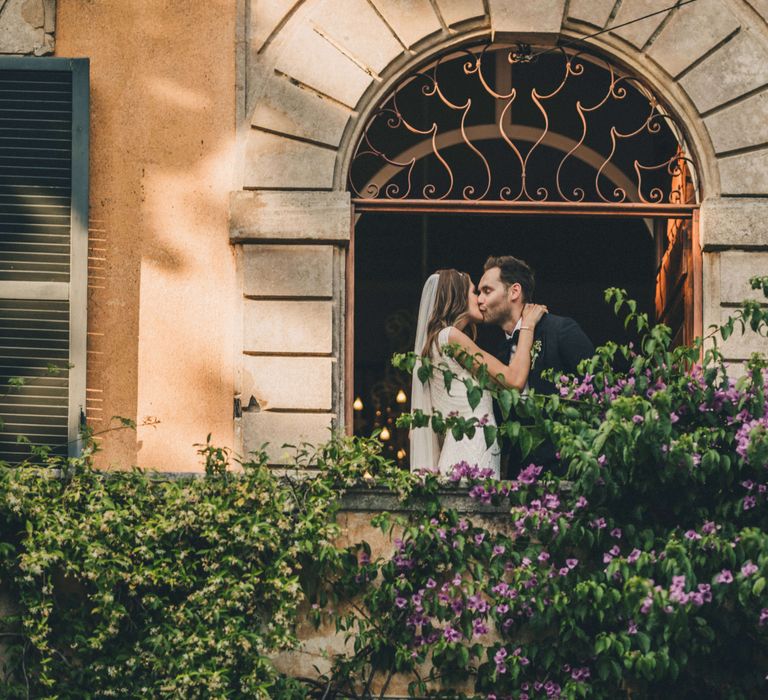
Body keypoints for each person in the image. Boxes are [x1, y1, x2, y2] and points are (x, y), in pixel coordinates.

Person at [409, 269, 548, 477]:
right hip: (470, 452)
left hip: (461, 451)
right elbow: (513, 380)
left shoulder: (438, 342)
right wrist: (527, 325)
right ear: (458, 297)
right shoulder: (450, 337)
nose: (480, 299)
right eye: (474, 292)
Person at [477, 255, 594, 474]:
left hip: (566, 470)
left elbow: (597, 395)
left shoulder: (560, 331)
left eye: (487, 291)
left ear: (514, 291)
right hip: (521, 476)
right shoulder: (500, 354)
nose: (479, 300)